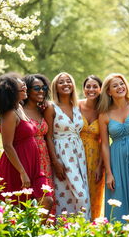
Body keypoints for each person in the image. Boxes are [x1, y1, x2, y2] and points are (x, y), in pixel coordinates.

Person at [0, 73, 53, 214]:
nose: (25, 87)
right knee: (19, 208)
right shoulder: (9, 113)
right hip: (16, 167)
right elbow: (7, 145)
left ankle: (36, 232)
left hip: (33, 165)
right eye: (22, 88)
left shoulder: (20, 108)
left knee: (47, 201)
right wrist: (22, 172)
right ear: (12, 92)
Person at [98, 73, 129, 225]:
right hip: (116, 160)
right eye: (115, 86)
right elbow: (105, 144)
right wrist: (108, 173)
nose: (120, 87)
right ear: (108, 92)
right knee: (117, 201)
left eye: (122, 84)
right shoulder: (104, 114)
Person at [44, 72, 90, 219]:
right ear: (55, 87)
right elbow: (49, 136)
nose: (65, 84)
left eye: (68, 81)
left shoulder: (77, 106)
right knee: (75, 194)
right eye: (61, 82)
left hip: (79, 154)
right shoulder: (51, 107)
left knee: (79, 196)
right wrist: (55, 161)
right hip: (62, 153)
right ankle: (65, 226)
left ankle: (80, 231)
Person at [23, 74, 56, 215]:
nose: (41, 91)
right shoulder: (19, 111)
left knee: (46, 197)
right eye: (37, 88)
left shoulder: (42, 110)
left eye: (43, 88)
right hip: (28, 157)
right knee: (28, 196)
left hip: (45, 159)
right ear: (27, 90)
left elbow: (49, 137)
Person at [79, 75, 104, 220]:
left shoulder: (103, 110)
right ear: (83, 89)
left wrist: (101, 165)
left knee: (93, 195)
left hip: (95, 157)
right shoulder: (76, 105)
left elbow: (104, 141)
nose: (91, 89)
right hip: (75, 154)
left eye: (95, 86)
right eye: (88, 86)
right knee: (78, 192)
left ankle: (92, 227)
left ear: (100, 89)